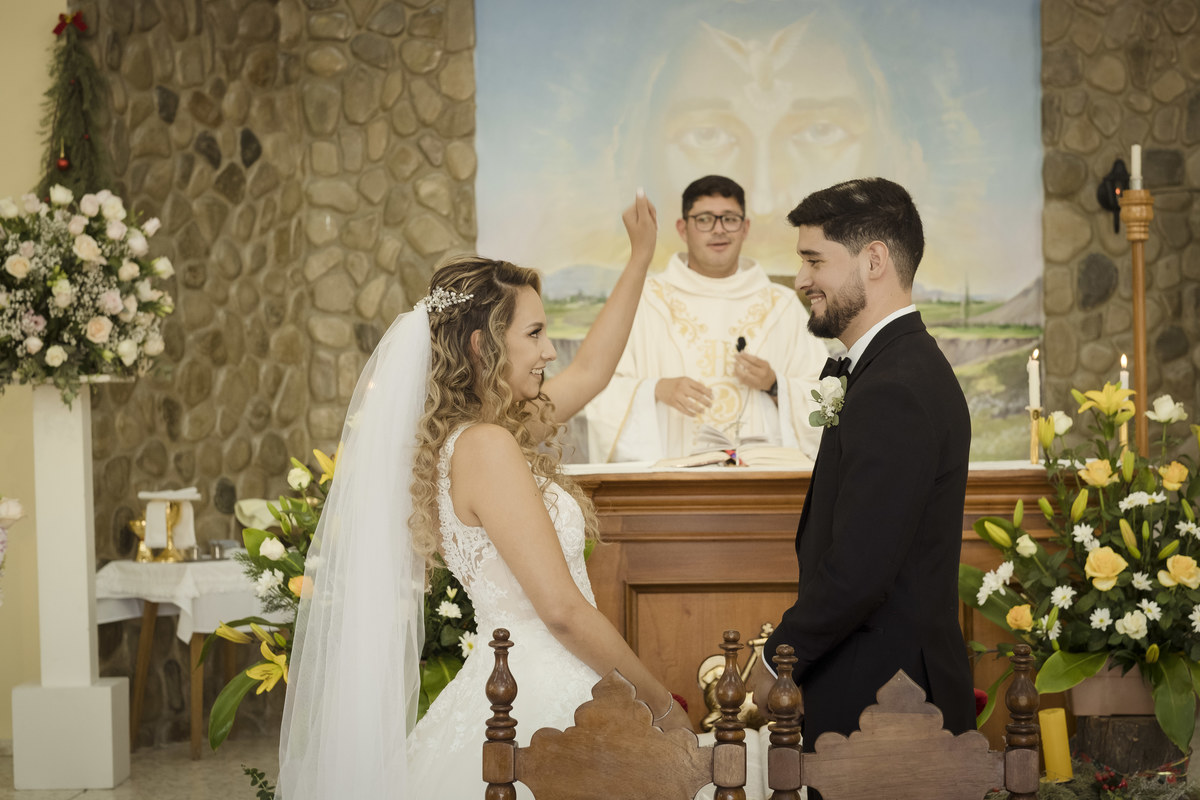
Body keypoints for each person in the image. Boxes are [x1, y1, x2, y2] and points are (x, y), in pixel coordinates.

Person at [275, 192, 693, 799]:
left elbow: (592, 372)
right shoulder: (488, 447)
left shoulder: (481, 436)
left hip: (519, 682)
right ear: (482, 345)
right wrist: (660, 707)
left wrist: (639, 260)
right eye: (535, 333)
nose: (550, 351)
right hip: (540, 696)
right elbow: (562, 611)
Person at [750, 178, 976, 761]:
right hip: (881, 686)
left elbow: (859, 570)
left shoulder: (894, 387)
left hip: (889, 700)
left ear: (874, 260)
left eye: (814, 260)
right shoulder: (892, 367)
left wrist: (777, 660)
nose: (801, 279)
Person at [586, 175, 827, 463]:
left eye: (730, 219)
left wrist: (776, 385)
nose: (718, 229)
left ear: (745, 228)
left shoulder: (781, 305)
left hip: (762, 476)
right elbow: (596, 391)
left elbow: (825, 397)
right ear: (682, 228)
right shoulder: (643, 300)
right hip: (671, 479)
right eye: (704, 219)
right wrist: (656, 389)